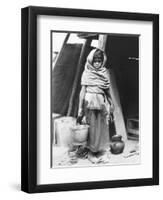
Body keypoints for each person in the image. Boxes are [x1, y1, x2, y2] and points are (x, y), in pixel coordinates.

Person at [77, 48, 114, 163]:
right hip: (89, 104)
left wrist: (111, 104)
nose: (97, 62)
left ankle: (99, 151)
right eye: (95, 60)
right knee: (91, 128)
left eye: (99, 60)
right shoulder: (86, 73)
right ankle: (91, 152)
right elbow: (82, 92)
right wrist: (80, 108)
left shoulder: (104, 73)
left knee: (101, 128)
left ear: (103, 61)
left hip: (101, 103)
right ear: (91, 60)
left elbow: (107, 91)